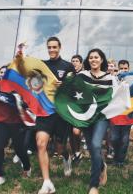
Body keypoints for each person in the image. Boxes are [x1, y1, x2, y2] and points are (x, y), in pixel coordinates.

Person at [36, 37, 75, 194]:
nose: (52, 49)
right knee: (41, 144)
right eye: (49, 47)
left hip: (61, 112)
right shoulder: (42, 65)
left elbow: (75, 89)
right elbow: (35, 84)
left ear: (60, 48)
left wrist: (64, 85)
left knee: (59, 147)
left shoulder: (68, 66)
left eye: (54, 47)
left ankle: (66, 157)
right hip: (45, 110)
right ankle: (47, 182)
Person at [79, 48, 112, 194]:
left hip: (101, 117)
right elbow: (74, 92)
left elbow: (115, 95)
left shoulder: (109, 78)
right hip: (86, 117)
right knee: (93, 150)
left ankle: (93, 185)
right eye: (91, 57)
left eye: (96, 57)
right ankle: (102, 166)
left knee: (95, 144)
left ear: (101, 60)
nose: (93, 59)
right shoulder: (82, 75)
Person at [110, 59, 133, 166]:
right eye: (121, 68)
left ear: (129, 69)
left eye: (125, 68)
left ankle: (120, 160)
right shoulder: (113, 79)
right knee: (114, 137)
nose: (123, 70)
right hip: (115, 114)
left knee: (124, 138)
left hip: (127, 114)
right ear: (118, 69)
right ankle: (116, 155)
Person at [70, 54, 84, 164]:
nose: (74, 62)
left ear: (81, 63)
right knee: (71, 132)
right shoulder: (68, 75)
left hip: (80, 108)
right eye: (73, 61)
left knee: (76, 132)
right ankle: (75, 154)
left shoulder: (85, 75)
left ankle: (78, 150)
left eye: (76, 61)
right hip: (68, 107)